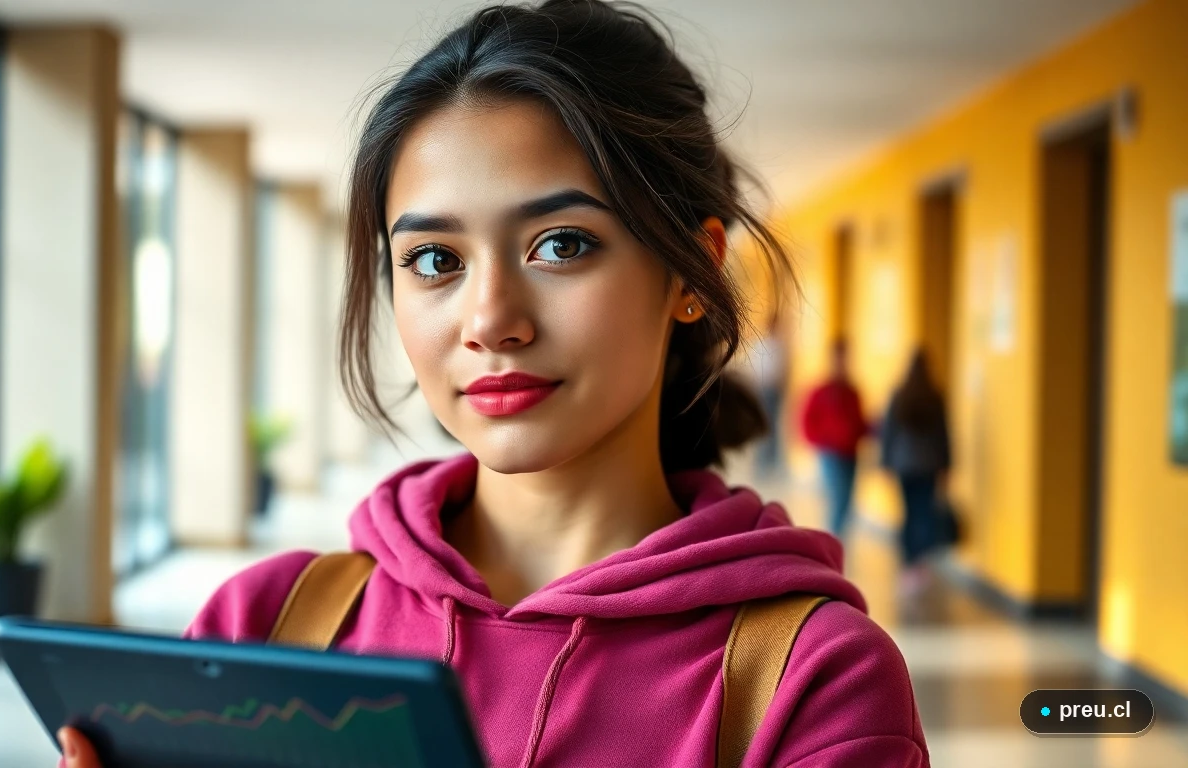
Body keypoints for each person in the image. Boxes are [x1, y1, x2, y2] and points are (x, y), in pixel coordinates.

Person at [60, 2, 926, 766]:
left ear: (694, 272)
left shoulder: (814, 687)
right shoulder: (269, 627)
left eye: (561, 244)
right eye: (434, 260)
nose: (490, 320)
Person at [880, 349, 951, 596]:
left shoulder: (900, 394)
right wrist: (947, 464)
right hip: (929, 465)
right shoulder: (935, 396)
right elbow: (944, 434)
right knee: (925, 512)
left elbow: (888, 431)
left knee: (909, 513)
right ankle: (921, 562)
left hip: (905, 465)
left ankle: (908, 563)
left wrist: (886, 461)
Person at [800, 338, 869, 539]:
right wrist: (823, 439)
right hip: (831, 454)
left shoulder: (852, 391)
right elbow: (806, 421)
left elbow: (859, 422)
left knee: (847, 501)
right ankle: (832, 540)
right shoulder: (821, 391)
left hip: (851, 453)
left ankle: (837, 540)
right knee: (837, 499)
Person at [749, 310, 791, 478]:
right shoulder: (761, 344)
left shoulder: (781, 346)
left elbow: (785, 370)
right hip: (762, 389)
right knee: (761, 425)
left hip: (775, 390)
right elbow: (754, 367)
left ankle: (772, 462)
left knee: (773, 426)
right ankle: (761, 461)